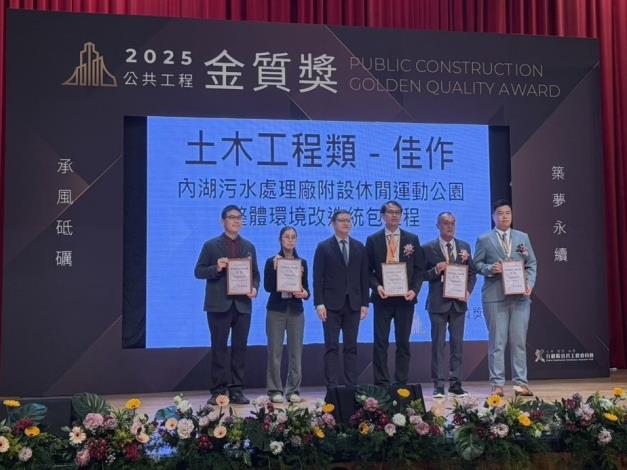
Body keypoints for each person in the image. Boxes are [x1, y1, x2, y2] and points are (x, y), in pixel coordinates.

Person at [194, 205, 260, 405]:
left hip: (242, 305)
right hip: (218, 305)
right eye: (232, 217)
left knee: (240, 348)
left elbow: (255, 275)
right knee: (219, 348)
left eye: (239, 217)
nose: (236, 221)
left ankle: (237, 390)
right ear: (223, 221)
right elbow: (198, 271)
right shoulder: (211, 245)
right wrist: (216, 267)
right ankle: (218, 391)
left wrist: (254, 288)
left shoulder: (249, 246)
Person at [473, 200, 537, 397]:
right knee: (497, 343)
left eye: (508, 212)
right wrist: (491, 268)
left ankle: (520, 383)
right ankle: (497, 384)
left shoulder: (522, 237)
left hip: (520, 297)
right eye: (500, 213)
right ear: (493, 216)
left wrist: (529, 284)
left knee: (519, 342)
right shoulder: (484, 239)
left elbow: (531, 263)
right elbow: (476, 265)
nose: (505, 216)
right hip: (495, 297)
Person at [366, 201, 425, 387]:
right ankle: (381, 383)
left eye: (398, 212)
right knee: (380, 342)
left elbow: (419, 269)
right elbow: (367, 271)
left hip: (405, 299)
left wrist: (414, 290)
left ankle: (401, 383)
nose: (394, 215)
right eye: (390, 212)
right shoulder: (373, 240)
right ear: (382, 216)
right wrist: (376, 287)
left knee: (403, 343)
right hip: (383, 298)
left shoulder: (412, 239)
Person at [422, 211, 476, 398]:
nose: (450, 226)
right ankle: (438, 385)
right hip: (438, 304)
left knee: (457, 345)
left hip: (458, 304)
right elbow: (421, 275)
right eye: (445, 223)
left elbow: (472, 272)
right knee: (438, 345)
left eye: (453, 223)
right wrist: (436, 270)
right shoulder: (428, 248)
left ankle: (456, 384)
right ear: (438, 225)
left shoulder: (464, 246)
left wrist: (468, 291)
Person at [313, 209, 369, 390]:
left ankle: (351, 386)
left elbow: (364, 277)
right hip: (330, 305)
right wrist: (319, 303)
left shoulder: (359, 247)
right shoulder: (323, 247)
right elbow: (318, 278)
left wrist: (365, 303)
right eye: (342, 220)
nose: (346, 223)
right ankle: (332, 387)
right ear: (333, 223)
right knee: (331, 347)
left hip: (353, 304)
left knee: (351, 347)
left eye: (349, 220)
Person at [263, 226, 309, 404]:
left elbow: (306, 290)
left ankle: (293, 390)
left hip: (296, 311)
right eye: (286, 237)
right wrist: (276, 270)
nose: (290, 240)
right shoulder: (271, 261)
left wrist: (304, 293)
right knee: (274, 351)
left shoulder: (302, 262)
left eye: (293, 237)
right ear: (280, 239)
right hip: (276, 311)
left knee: (296, 352)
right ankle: (275, 390)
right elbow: (268, 287)